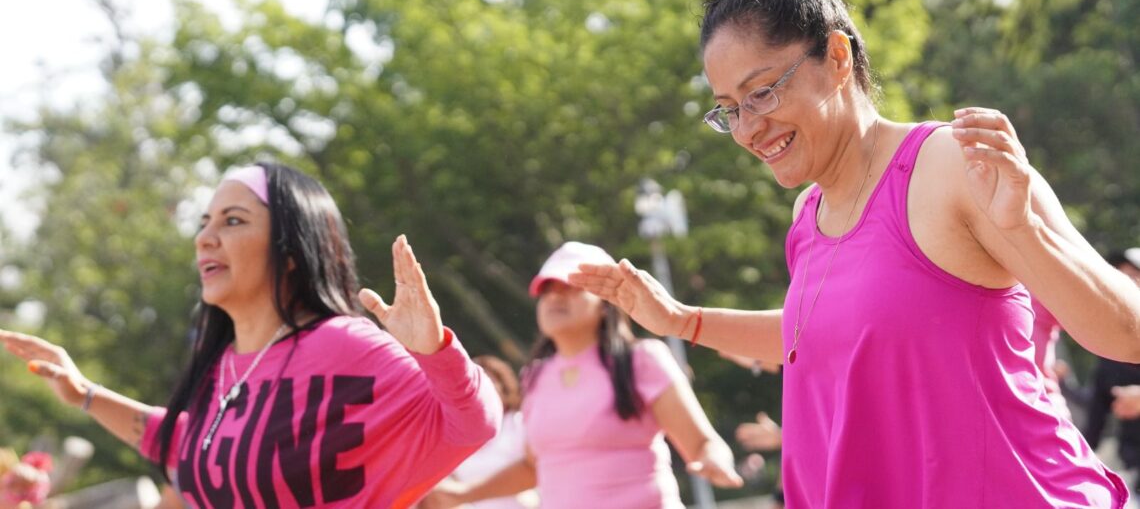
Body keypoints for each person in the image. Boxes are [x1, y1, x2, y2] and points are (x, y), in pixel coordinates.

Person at [568, 0, 1140, 506]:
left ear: (838, 58)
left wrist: (1024, 232)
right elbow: (828, 331)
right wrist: (681, 319)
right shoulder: (807, 214)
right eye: (729, 109)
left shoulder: (951, 165)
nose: (746, 129)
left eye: (761, 92)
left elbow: (1128, 335)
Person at [0, 163, 502, 508]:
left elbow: (474, 422)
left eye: (233, 221)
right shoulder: (221, 363)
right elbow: (196, 449)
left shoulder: (346, 346)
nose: (205, 237)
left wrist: (434, 350)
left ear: (290, 251)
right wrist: (84, 393)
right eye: (204, 223)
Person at [427, 242, 742, 509]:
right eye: (546, 289)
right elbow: (533, 467)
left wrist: (714, 460)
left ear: (607, 302)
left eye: (570, 286)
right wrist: (463, 495)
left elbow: (703, 444)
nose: (555, 297)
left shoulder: (642, 360)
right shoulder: (535, 378)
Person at [426, 355, 537, 509]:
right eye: (470, 383)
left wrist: (464, 494)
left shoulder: (521, 425)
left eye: (486, 382)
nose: (477, 389)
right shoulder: (450, 430)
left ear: (503, 388)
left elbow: (534, 470)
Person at [1084, 249, 1140, 493]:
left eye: (1134, 278)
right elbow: (1096, 415)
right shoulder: (1108, 349)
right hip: (1132, 470)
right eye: (1120, 278)